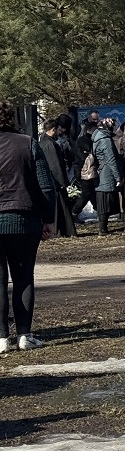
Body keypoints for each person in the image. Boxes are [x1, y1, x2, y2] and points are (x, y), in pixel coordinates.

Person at [0, 100, 56, 351]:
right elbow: (45, 185)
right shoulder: (27, 143)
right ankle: (25, 335)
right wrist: (49, 219)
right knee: (23, 277)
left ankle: (1, 338)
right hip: (24, 218)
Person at [37, 120, 77, 238]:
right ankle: (63, 231)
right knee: (61, 207)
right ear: (53, 129)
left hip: (51, 180)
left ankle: (61, 231)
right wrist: (62, 181)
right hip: (55, 181)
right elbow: (55, 165)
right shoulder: (50, 145)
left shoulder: (43, 143)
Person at [91, 119, 122, 236]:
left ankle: (103, 227)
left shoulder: (97, 137)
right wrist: (118, 177)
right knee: (105, 200)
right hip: (106, 173)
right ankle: (103, 228)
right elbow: (111, 160)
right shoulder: (105, 140)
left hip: (101, 172)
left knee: (103, 199)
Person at [71, 113, 99, 222]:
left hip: (84, 169)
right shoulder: (85, 141)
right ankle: (75, 212)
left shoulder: (83, 140)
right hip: (84, 170)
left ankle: (98, 209)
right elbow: (86, 156)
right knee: (87, 192)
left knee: (91, 192)